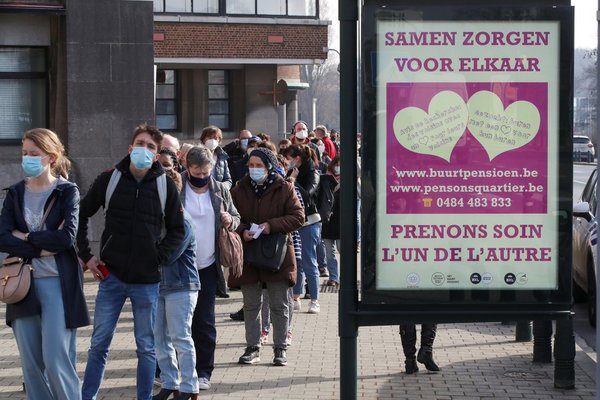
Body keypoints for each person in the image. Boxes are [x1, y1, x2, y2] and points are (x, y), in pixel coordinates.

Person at [77, 123, 185, 400]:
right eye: (141, 144)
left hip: (146, 282)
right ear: (130, 147)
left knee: (146, 348)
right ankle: (86, 396)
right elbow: (81, 214)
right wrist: (87, 255)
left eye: (151, 147)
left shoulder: (165, 186)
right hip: (111, 277)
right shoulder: (109, 179)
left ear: (157, 154)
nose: (144, 150)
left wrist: (158, 257)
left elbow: (178, 230)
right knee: (99, 344)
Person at [0, 128, 89, 400]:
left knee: (56, 361)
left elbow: (65, 238)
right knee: (31, 367)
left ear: (51, 157)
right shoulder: (15, 194)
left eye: (33, 154)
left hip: (58, 284)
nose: (27, 158)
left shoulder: (66, 192)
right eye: (24, 153)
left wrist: (25, 237)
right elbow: (3, 238)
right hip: (21, 286)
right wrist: (42, 246)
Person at [230, 147, 304, 366]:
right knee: (251, 304)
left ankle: (280, 348)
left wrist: (270, 225)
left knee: (279, 304)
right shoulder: (240, 188)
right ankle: (252, 347)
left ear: (269, 166)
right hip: (249, 253)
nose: (254, 169)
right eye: (251, 165)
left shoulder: (283, 187)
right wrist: (242, 229)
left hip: (277, 254)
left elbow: (298, 217)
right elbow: (230, 215)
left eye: (258, 166)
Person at [180, 145, 240, 390]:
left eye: (206, 171)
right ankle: (172, 370)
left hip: (207, 264)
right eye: (197, 170)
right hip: (180, 264)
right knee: (178, 321)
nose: (202, 175)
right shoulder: (176, 186)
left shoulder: (220, 190)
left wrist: (230, 220)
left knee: (204, 321)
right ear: (187, 167)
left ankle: (203, 371)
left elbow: (237, 219)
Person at [153, 169, 200, 400]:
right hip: (158, 286)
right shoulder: (157, 218)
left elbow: (167, 255)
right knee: (159, 338)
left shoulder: (182, 220)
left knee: (180, 337)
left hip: (181, 286)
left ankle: (190, 386)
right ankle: (170, 382)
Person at [281, 144, 322, 314]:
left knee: (309, 261)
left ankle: (314, 300)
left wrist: (294, 181)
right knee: (297, 262)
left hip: (309, 222)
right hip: (295, 222)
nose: (287, 162)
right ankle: (296, 296)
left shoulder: (312, 173)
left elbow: (307, 194)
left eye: (289, 158)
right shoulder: (292, 172)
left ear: (297, 158)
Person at [319, 156, 340, 286]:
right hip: (327, 221)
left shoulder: (350, 180)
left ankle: (346, 277)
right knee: (329, 253)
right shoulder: (325, 179)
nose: (338, 167)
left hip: (342, 221)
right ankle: (334, 277)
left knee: (342, 250)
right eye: (337, 164)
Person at [200, 125, 232, 189]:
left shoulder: (222, 159)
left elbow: (228, 181)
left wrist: (220, 187)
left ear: (219, 141)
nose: (212, 141)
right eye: (209, 137)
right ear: (203, 140)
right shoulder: (197, 156)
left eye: (215, 138)